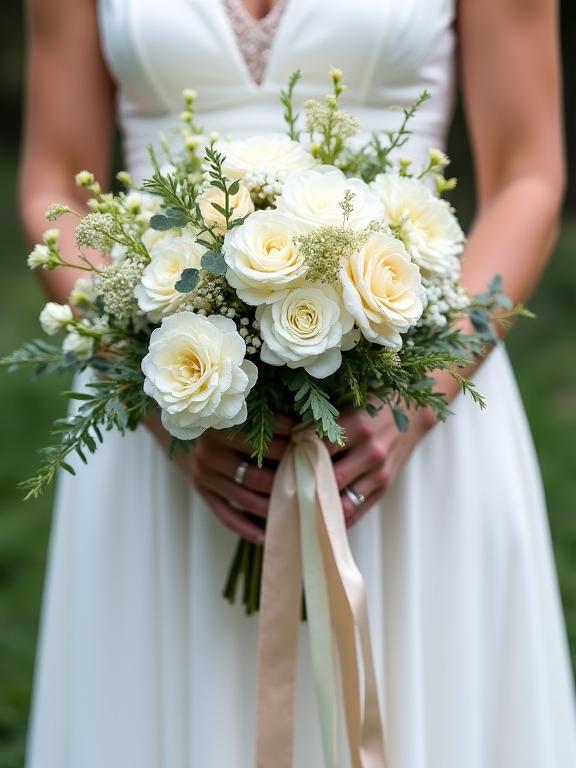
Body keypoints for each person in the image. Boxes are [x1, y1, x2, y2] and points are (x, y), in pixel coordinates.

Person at [21, 0, 576, 765]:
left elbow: (529, 174)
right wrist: (165, 403)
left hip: (406, 424)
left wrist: (418, 402)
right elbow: (52, 183)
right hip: (162, 422)